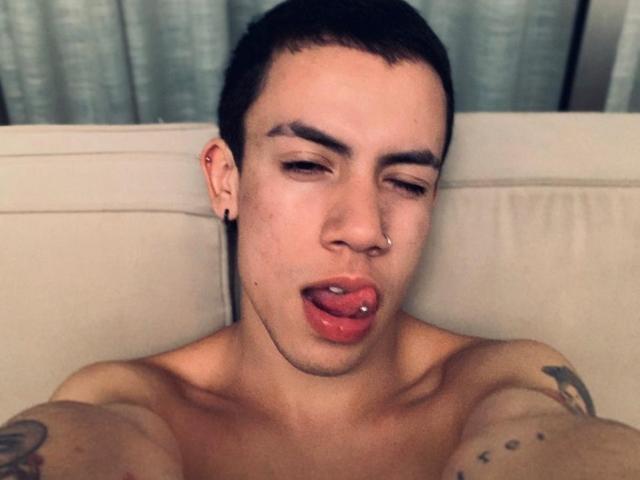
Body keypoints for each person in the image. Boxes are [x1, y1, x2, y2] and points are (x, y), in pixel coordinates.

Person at [2, 1, 639, 479]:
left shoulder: (503, 385)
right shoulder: (122, 402)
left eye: (407, 182)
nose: (363, 229)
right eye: (307, 165)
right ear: (226, 180)